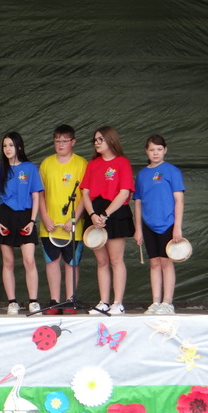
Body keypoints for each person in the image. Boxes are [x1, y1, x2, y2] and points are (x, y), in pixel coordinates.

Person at [80, 126, 135, 315]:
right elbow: (85, 192)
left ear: (111, 140)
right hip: (95, 213)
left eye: (100, 139)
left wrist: (105, 214)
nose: (96, 143)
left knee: (115, 259)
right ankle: (103, 301)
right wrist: (92, 215)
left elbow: (124, 192)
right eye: (95, 140)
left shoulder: (122, 162)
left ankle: (117, 302)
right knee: (101, 261)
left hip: (115, 212)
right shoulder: (92, 164)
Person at [0, 132, 45, 315]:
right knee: (8, 261)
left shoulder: (30, 168)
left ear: (19, 147)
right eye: (5, 146)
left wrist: (32, 220)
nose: (7, 149)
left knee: (29, 260)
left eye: (11, 145)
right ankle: (12, 302)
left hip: (25, 216)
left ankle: (33, 302)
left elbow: (36, 196)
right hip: (5, 216)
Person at [38, 124, 88, 315]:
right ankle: (54, 301)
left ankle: (70, 301)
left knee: (71, 263)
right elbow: (40, 194)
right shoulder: (46, 163)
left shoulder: (81, 164)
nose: (60, 144)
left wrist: (74, 220)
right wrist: (44, 217)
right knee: (52, 261)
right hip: (50, 225)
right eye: (57, 141)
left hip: (72, 225)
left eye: (64, 141)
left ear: (73, 142)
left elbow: (85, 196)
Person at [133, 134, 185, 315]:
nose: (155, 153)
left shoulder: (172, 171)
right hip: (148, 224)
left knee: (166, 262)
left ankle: (167, 302)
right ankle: (155, 302)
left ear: (165, 150)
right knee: (154, 263)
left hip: (167, 223)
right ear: (146, 151)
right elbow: (138, 202)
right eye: (152, 149)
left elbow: (179, 200)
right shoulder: (142, 174)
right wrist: (138, 229)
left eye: (159, 149)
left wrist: (177, 226)